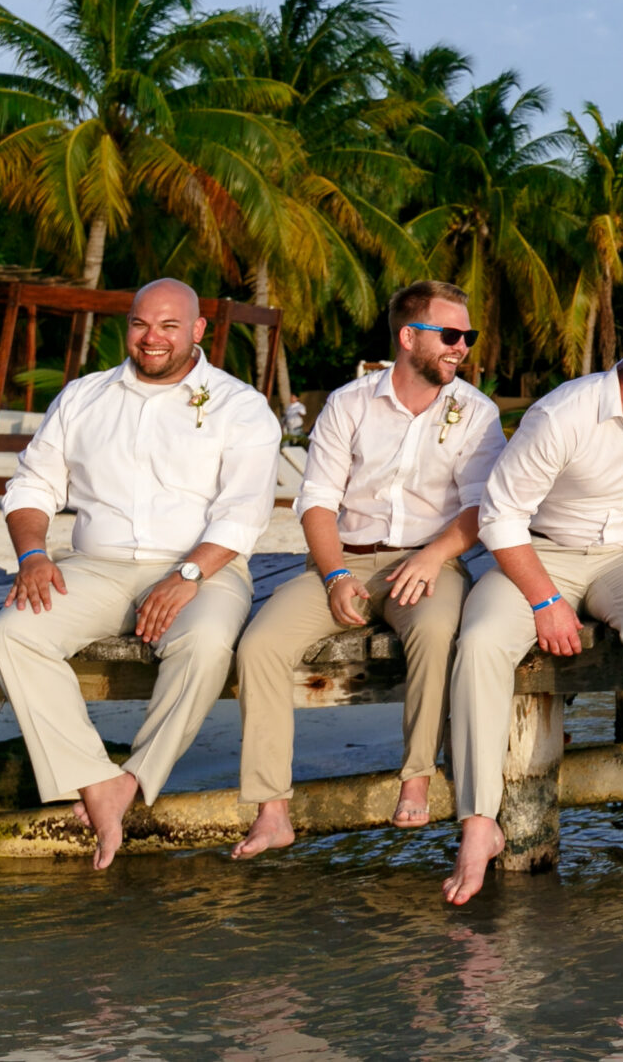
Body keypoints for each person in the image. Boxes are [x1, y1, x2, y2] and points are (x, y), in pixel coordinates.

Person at [0, 278, 280, 869]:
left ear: (197, 331)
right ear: (130, 326)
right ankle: (92, 778)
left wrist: (189, 574)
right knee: (10, 635)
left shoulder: (239, 405)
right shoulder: (83, 396)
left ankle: (135, 778)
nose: (153, 338)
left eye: (170, 326)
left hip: (203, 567)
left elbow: (244, 510)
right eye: (143, 323)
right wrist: (33, 555)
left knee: (206, 641)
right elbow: (32, 485)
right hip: (95, 564)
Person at [441, 309, 623, 904]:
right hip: (543, 555)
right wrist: (544, 600)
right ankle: (478, 822)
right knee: (482, 640)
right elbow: (501, 517)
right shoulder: (562, 414)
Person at [232, 280, 502, 859]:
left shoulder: (476, 412)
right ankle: (272, 808)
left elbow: (483, 508)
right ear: (409, 337)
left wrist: (433, 558)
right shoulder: (349, 403)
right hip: (344, 561)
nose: (463, 347)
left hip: (431, 563)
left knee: (434, 633)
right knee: (259, 645)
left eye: (467, 336)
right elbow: (318, 502)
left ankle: (417, 775)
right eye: (451, 335)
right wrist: (333, 576)